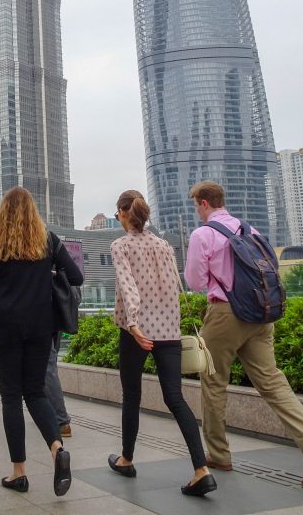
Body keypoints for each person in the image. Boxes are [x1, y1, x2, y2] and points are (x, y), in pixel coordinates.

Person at [185, 180, 303, 488]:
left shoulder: (204, 234)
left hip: (226, 312)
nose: (197, 212)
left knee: (213, 382)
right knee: (272, 381)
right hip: (261, 312)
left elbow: (195, 282)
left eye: (196, 206)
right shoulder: (251, 230)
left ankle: (219, 454)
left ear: (203, 203)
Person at [0, 186, 83, 497]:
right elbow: (75, 276)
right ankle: (56, 448)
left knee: (11, 397)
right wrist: (46, 275)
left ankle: (19, 472)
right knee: (35, 392)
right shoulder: (48, 241)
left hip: (7, 327)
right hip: (40, 326)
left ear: (3, 213)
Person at [107, 189, 216, 497]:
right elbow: (173, 288)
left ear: (126, 214)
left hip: (137, 332)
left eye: (117, 214)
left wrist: (133, 323)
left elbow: (129, 287)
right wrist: (169, 324)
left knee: (131, 394)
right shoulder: (165, 245)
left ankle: (127, 459)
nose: (118, 219)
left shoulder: (121, 246)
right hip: (168, 330)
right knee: (175, 398)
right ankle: (200, 469)